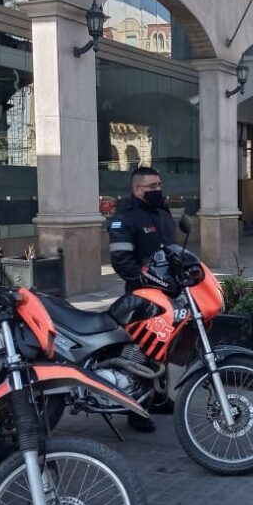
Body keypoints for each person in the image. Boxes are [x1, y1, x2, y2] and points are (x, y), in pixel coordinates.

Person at [108, 166, 177, 432]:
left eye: (159, 184)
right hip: (141, 297)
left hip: (166, 294)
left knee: (162, 347)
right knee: (141, 352)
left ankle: (158, 398)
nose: (158, 190)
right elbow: (122, 261)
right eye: (152, 187)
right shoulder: (125, 218)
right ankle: (135, 408)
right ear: (137, 190)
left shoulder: (161, 211)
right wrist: (147, 281)